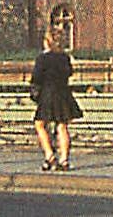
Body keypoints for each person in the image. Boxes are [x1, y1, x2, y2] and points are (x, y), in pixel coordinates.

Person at [31, 28, 83, 171]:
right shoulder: (64, 57)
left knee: (40, 124)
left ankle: (49, 156)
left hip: (48, 94)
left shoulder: (42, 58)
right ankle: (64, 160)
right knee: (62, 126)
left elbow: (36, 77)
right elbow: (69, 72)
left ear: (47, 42)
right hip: (63, 93)